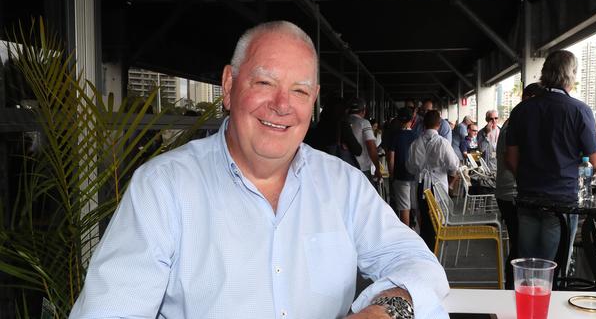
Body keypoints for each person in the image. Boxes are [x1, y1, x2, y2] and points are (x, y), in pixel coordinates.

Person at [69, 21, 449, 318]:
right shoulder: (162, 189)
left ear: (313, 100)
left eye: (299, 91)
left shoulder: (343, 185)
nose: (282, 105)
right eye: (265, 82)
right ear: (229, 85)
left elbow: (419, 264)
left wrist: (381, 311)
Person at [506, 49, 596, 263]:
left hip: (527, 197)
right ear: (572, 74)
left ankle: (527, 296)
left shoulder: (521, 110)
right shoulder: (579, 110)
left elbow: (510, 159)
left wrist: (527, 178)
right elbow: (595, 162)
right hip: (562, 200)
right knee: (555, 267)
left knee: (527, 264)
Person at [495, 82, 545, 289]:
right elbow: (512, 159)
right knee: (520, 246)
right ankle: (513, 289)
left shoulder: (513, 121)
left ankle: (514, 287)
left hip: (508, 191)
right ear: (530, 98)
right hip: (512, 192)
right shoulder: (517, 123)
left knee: (519, 245)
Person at [406, 110, 460, 251]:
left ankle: (426, 248)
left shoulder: (415, 143)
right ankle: (435, 248)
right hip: (437, 187)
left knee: (423, 219)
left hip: (420, 186)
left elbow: (410, 168)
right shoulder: (443, 143)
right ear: (439, 124)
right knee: (438, 219)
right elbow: (454, 164)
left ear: (423, 124)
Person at [309, 95, 362, 168]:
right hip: (335, 167)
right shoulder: (342, 125)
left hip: (319, 166)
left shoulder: (319, 125)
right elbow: (358, 150)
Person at [388, 107, 419, 227]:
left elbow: (391, 157)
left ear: (399, 120)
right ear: (412, 120)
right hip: (415, 176)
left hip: (400, 176)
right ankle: (420, 234)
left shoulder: (395, 136)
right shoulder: (416, 136)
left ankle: (407, 237)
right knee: (416, 206)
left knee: (404, 207)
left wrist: (392, 174)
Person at [349, 97, 383, 184]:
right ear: (363, 111)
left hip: (346, 167)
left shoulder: (343, 122)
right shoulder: (364, 123)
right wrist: (377, 168)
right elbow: (371, 147)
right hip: (362, 168)